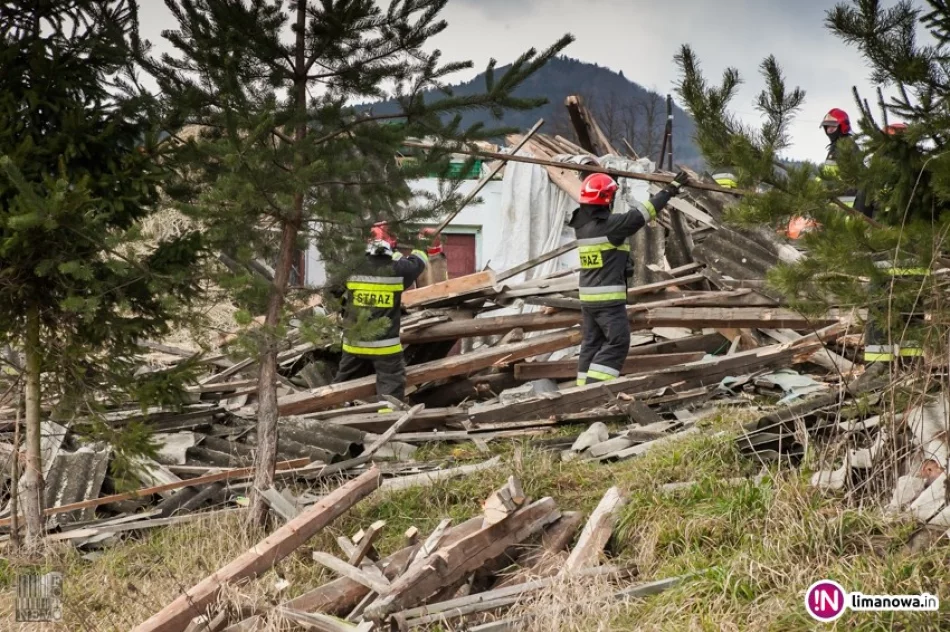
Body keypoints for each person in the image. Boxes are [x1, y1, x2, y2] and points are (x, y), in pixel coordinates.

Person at [569, 171, 690, 386]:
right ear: (607, 199)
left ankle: (579, 390)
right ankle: (594, 390)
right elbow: (644, 213)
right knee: (618, 342)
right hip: (607, 301)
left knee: (591, 343)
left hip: (588, 299)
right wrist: (670, 190)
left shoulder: (583, 227)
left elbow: (602, 257)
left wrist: (622, 262)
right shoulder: (612, 225)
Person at [332, 221, 429, 404]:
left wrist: (346, 307)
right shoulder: (399, 269)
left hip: (354, 343)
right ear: (391, 245)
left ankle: (335, 411)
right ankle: (388, 418)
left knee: (343, 384)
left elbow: (331, 290)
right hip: (386, 346)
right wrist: (423, 241)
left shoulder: (352, 267)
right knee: (391, 384)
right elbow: (419, 262)